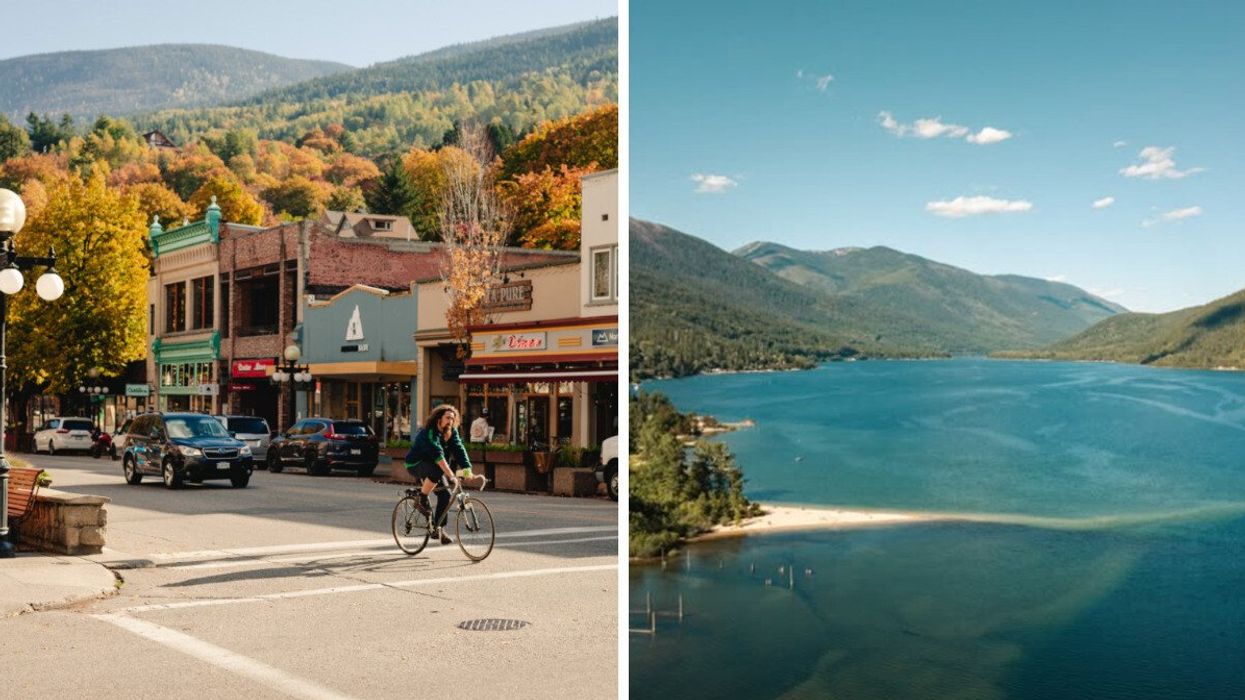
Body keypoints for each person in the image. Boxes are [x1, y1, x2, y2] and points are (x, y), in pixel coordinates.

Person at [404, 404, 467, 544]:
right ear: (439, 418)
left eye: (453, 418)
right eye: (447, 417)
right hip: (415, 464)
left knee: (446, 495)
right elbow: (438, 456)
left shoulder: (451, 432)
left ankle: (438, 529)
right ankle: (422, 496)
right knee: (438, 469)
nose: (450, 421)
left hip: (434, 467)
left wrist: (467, 469)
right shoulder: (429, 432)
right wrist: (451, 475)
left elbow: (459, 449)